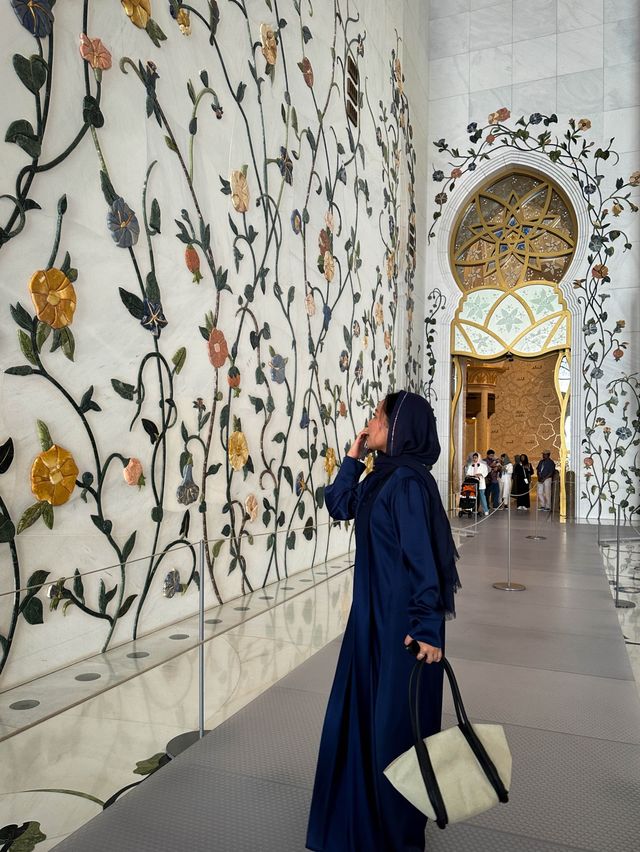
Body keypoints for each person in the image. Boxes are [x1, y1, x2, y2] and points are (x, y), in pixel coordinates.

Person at [306, 391, 460, 852]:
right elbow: (337, 504)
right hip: (370, 621)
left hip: (403, 631)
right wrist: (353, 458)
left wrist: (429, 627)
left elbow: (424, 562)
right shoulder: (382, 478)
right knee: (364, 721)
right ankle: (363, 827)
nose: (370, 421)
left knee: (393, 731)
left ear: (398, 429)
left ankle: (393, 837)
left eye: (378, 416)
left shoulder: (409, 484)